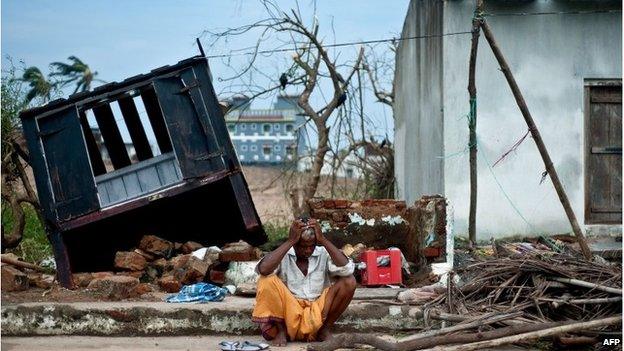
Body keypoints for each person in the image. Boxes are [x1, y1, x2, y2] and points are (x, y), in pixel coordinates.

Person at [252, 217, 356, 346]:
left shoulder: (323, 253)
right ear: (294, 243)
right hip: (289, 313)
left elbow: (347, 269)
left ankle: (325, 330)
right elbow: (263, 269)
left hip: (318, 312)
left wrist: (323, 240)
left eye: (311, 246)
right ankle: (281, 331)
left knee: (349, 281)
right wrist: (290, 241)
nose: (307, 250)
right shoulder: (283, 254)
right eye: (302, 246)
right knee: (266, 280)